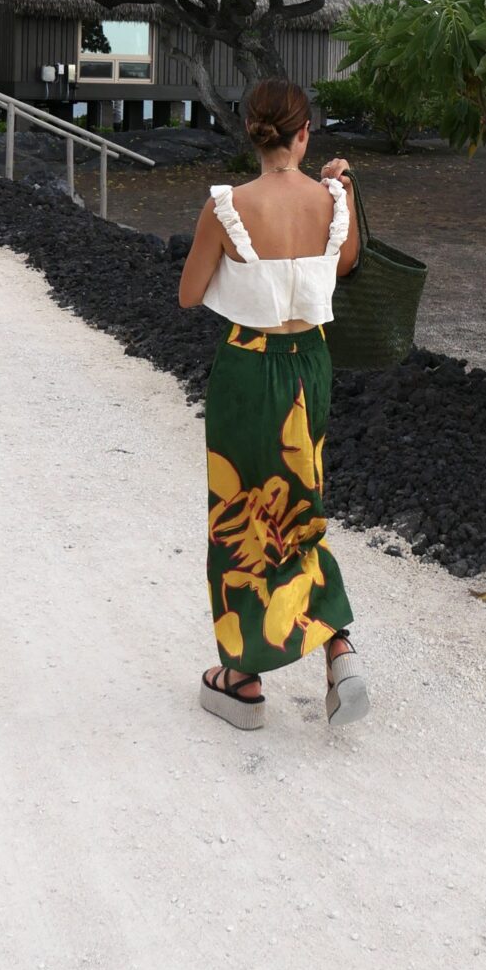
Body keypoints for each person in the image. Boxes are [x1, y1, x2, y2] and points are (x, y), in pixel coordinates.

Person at [177, 77, 367, 729]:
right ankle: (337, 645)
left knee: (242, 509)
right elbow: (344, 266)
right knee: (298, 500)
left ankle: (242, 679)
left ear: (251, 134)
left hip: (248, 368)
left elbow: (190, 293)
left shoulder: (227, 207)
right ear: (304, 134)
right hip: (310, 367)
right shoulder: (332, 199)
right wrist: (339, 185)